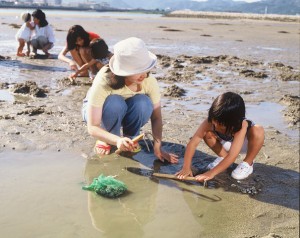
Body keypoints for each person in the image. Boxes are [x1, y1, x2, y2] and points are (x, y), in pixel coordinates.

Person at [82, 37, 178, 163]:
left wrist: (158, 146)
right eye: (138, 70)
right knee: (115, 102)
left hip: (127, 109)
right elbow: (93, 127)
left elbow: (157, 117)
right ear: (123, 71)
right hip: (97, 112)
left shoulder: (149, 81)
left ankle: (130, 137)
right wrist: (117, 140)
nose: (144, 74)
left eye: (146, 68)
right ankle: (107, 137)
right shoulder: (104, 79)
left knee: (143, 102)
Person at [176, 92, 264, 181]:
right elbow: (192, 144)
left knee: (258, 130)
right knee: (207, 133)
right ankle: (224, 159)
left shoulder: (241, 125)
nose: (216, 125)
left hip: (245, 145)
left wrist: (210, 173)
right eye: (214, 121)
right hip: (225, 144)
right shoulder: (210, 122)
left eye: (221, 124)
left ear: (234, 122)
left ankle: (247, 163)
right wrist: (186, 167)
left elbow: (233, 155)